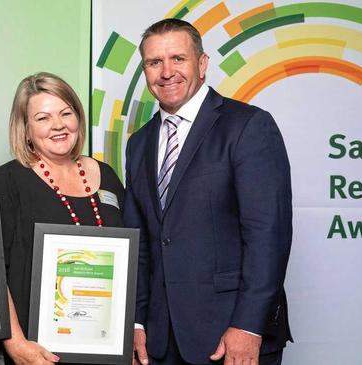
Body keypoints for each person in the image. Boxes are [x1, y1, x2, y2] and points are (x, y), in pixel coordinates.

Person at [124, 19, 293, 365]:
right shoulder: (139, 144)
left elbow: (268, 237)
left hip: (230, 334)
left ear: (202, 64)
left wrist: (248, 326)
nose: (167, 72)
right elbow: (138, 242)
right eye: (155, 62)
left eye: (178, 59)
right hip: (160, 338)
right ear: (145, 71)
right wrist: (137, 321)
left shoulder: (248, 126)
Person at [0, 72, 125, 364]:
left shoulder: (106, 175)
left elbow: (130, 260)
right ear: (25, 128)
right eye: (43, 118)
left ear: (78, 118)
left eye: (66, 113)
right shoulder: (1, 184)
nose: (58, 125)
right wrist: (16, 344)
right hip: (35, 352)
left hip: (103, 347)